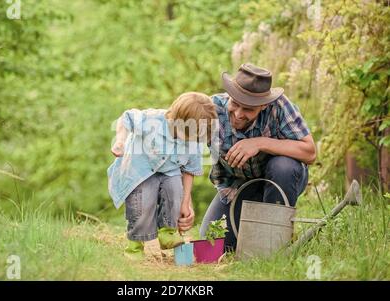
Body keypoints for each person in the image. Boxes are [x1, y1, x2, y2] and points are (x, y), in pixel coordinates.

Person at [200, 63, 317, 251]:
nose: (238, 114)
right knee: (211, 246)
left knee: (283, 166)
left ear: (263, 105)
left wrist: (260, 142)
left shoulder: (279, 107)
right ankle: (252, 235)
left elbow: (310, 152)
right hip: (235, 187)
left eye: (248, 109)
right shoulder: (211, 110)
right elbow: (179, 139)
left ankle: (274, 241)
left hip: (279, 180)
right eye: (235, 104)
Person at [108, 92, 217, 258]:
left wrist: (185, 203)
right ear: (175, 120)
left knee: (175, 190)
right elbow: (126, 118)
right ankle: (135, 245)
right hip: (141, 171)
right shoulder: (152, 121)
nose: (190, 140)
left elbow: (189, 170)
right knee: (142, 202)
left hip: (169, 170)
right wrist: (120, 141)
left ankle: (168, 232)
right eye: (188, 135)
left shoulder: (193, 138)